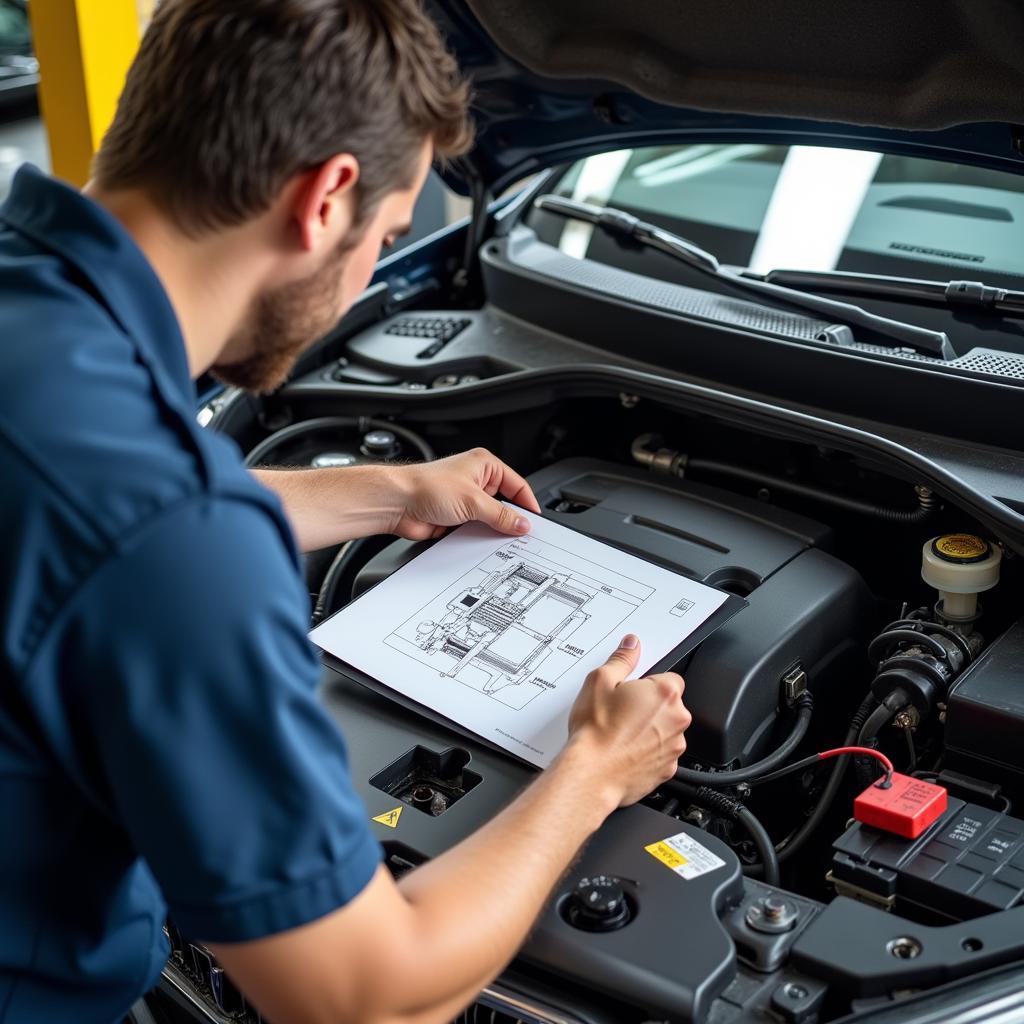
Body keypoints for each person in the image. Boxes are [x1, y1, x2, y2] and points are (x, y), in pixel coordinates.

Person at [0, 2, 691, 1022]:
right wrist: (593, 771)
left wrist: (382, 491)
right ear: (326, 198)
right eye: (390, 233)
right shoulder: (169, 530)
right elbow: (363, 998)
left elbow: (66, 520)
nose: (375, 264)